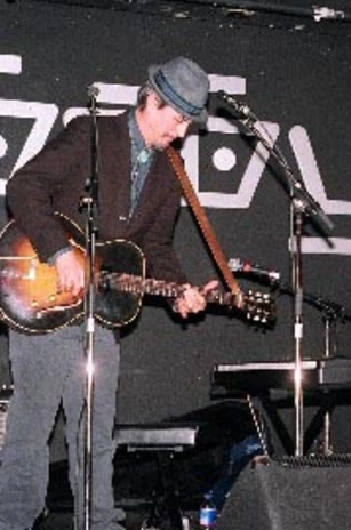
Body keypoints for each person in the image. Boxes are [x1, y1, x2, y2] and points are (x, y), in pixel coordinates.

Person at [0, 57, 218, 530]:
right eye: (178, 119)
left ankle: (98, 522)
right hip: (45, 301)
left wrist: (181, 289)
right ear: (152, 101)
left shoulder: (168, 172)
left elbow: (156, 246)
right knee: (30, 429)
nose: (180, 134)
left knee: (96, 435)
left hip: (100, 314)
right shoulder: (92, 136)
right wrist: (59, 252)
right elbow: (23, 187)